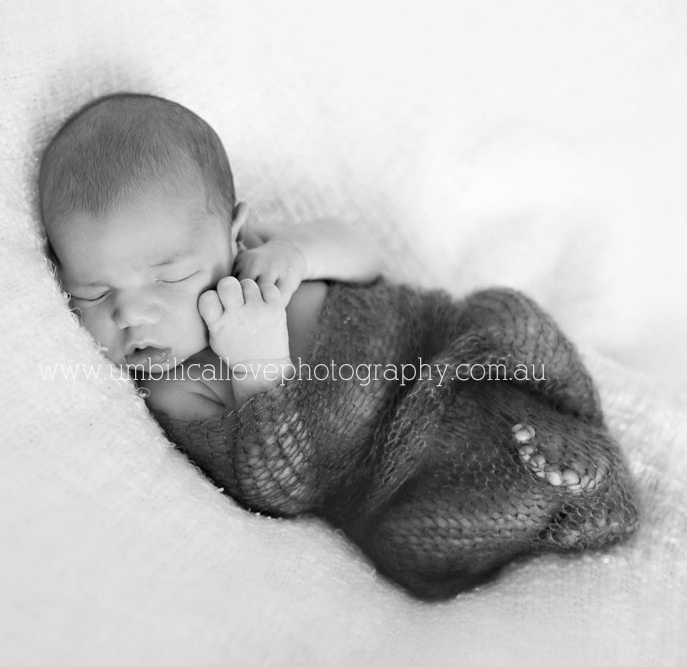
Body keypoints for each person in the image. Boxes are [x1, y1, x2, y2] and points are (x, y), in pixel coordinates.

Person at [37, 92, 639, 599]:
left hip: (437, 346)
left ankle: (564, 422)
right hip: (395, 461)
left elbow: (368, 259)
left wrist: (298, 253)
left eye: (168, 277)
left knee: (509, 317)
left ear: (233, 232)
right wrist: (256, 366)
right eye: (93, 293)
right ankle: (566, 488)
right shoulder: (177, 385)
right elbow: (279, 487)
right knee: (428, 526)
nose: (132, 313)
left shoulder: (263, 259)